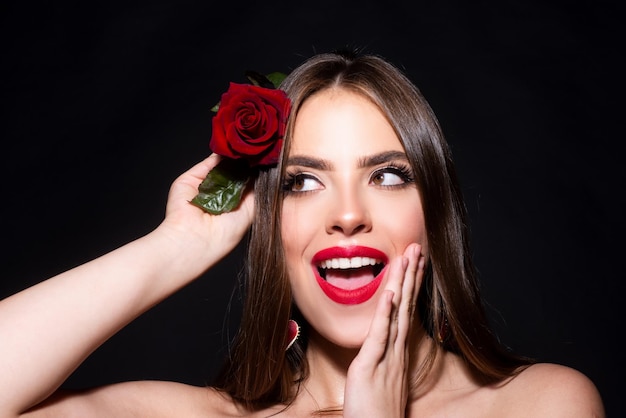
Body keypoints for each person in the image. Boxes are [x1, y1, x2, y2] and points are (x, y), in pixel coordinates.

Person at [0, 49, 604, 417]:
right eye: (303, 182)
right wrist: (179, 244)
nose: (347, 214)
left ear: (434, 211)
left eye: (388, 175)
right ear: (270, 221)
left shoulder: (543, 405)